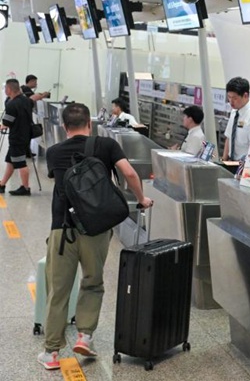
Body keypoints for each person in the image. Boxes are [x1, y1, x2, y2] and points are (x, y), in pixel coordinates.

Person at [38, 103, 153, 370]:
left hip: (63, 229)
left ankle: (52, 353)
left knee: (59, 290)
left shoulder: (54, 153)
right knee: (93, 282)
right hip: (97, 229)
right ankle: (85, 336)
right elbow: (129, 173)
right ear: (89, 124)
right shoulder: (106, 146)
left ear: (65, 127)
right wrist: (141, 198)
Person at [0, 78, 34, 195]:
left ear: (9, 89)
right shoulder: (27, 101)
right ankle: (2, 184)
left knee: (20, 163)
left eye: (5, 88)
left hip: (17, 137)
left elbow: (7, 123)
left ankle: (25, 188)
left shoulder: (11, 104)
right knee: (11, 161)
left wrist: (2, 126)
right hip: (26, 135)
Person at [222, 77, 250, 162]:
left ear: (245, 95)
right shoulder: (234, 111)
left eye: (234, 98)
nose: (231, 102)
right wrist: (224, 161)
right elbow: (228, 137)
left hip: (246, 167)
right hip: (231, 164)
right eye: (229, 97)